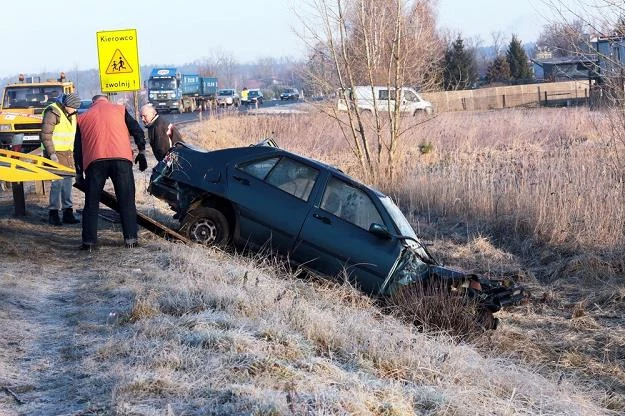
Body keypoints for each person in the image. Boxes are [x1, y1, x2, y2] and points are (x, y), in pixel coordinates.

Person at [73, 95, 147, 251]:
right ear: (106, 100)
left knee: (91, 203)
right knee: (126, 200)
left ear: (93, 103)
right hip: (121, 159)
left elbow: (77, 149)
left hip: (94, 161)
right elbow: (138, 131)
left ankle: (89, 242)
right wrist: (141, 151)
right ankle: (131, 240)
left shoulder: (83, 117)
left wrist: (79, 173)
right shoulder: (120, 110)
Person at [40, 92, 82, 226]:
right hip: (55, 153)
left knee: (68, 182)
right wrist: (51, 154)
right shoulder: (53, 111)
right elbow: (46, 134)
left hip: (67, 153)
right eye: (74, 108)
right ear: (67, 105)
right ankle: (53, 213)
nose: (75, 111)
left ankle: (67, 212)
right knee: (57, 183)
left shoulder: (72, 114)